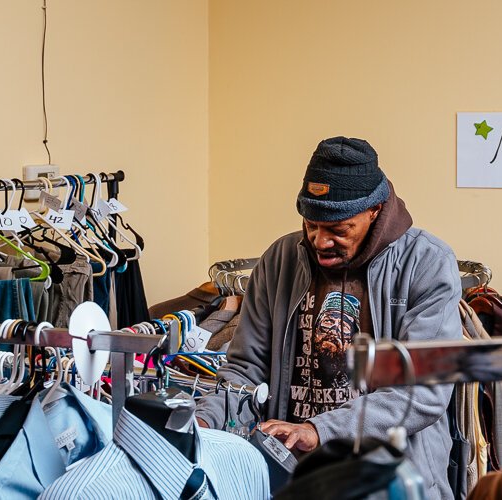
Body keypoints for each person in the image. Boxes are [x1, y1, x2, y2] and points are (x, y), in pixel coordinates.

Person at [195, 137, 463, 499]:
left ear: (375, 210)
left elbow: (423, 392)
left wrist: (318, 429)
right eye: (312, 224)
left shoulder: (427, 264)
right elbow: (245, 370)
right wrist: (204, 419)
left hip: (388, 484)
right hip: (294, 481)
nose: (321, 241)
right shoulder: (279, 260)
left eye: (338, 229)